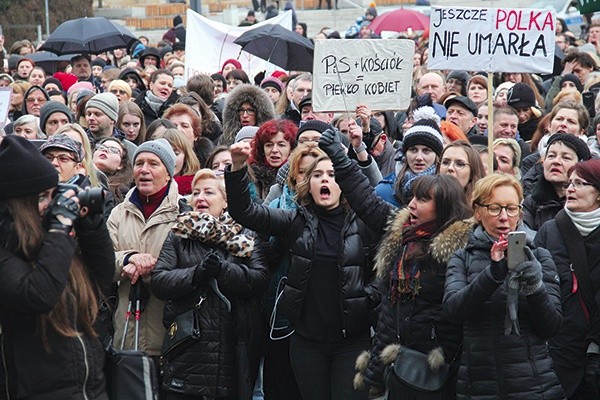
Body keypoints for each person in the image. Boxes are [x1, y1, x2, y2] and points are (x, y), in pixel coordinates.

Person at [318, 130, 473, 398]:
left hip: (434, 371)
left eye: (422, 200)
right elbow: (366, 201)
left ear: (444, 207)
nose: (410, 206)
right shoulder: (403, 233)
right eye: (412, 198)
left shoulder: (461, 249)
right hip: (389, 359)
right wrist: (339, 156)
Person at [225, 144, 379, 400]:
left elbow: (381, 271)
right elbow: (246, 212)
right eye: (318, 175)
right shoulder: (296, 220)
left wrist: (368, 300)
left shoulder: (364, 223)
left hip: (352, 341)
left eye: (332, 174)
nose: (325, 180)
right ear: (308, 184)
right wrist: (238, 167)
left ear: (345, 184)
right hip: (307, 342)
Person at [0, 135, 114, 399]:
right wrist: (60, 227)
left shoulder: (52, 238)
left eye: (54, 194)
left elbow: (101, 280)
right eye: (42, 197)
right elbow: (38, 294)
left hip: (92, 389)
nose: (52, 205)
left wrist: (92, 228)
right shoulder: (17, 246)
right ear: (18, 204)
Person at [444, 173, 564, 400]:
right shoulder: (462, 258)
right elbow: (453, 311)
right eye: (494, 208)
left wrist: (535, 285)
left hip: (534, 384)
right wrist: (493, 273)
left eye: (511, 209)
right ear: (478, 212)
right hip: (478, 385)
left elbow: (552, 326)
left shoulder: (539, 256)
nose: (504, 217)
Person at [151, 169, 268, 399]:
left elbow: (258, 279)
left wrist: (223, 270)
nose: (200, 197)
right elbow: (160, 280)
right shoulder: (179, 234)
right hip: (187, 351)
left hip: (231, 352)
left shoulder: (246, 235)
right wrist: (197, 273)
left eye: (209, 192)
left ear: (225, 201)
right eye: (196, 192)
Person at [107, 139, 189, 371]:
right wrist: (127, 259)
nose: (144, 170)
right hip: (126, 334)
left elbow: (190, 266)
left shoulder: (184, 212)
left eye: (153, 163)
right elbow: (101, 262)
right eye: (139, 163)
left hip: (170, 335)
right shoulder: (118, 213)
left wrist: (152, 267)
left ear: (169, 172)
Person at [535, 159, 600, 399]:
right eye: (570, 183)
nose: (570, 188)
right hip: (556, 349)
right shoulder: (550, 230)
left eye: (580, 183)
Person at [375, 107, 445, 207]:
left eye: (426, 151)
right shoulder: (384, 192)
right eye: (413, 150)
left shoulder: (447, 193)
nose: (419, 157)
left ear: (437, 156)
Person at [523, 133, 591, 231]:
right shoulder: (531, 202)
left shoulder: (589, 204)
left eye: (566, 157)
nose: (556, 161)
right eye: (551, 156)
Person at [248, 119, 296, 200]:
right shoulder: (251, 174)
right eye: (269, 145)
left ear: (291, 149)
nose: (274, 150)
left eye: (281, 145)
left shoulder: (298, 175)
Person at [152, 127, 201, 196]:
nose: (171, 158)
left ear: (186, 156)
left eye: (176, 153)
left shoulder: (198, 187)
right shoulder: (145, 188)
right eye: (166, 153)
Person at [92, 137, 132, 204]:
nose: (105, 150)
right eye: (101, 148)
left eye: (113, 150)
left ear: (120, 165)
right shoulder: (78, 176)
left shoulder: (121, 192)